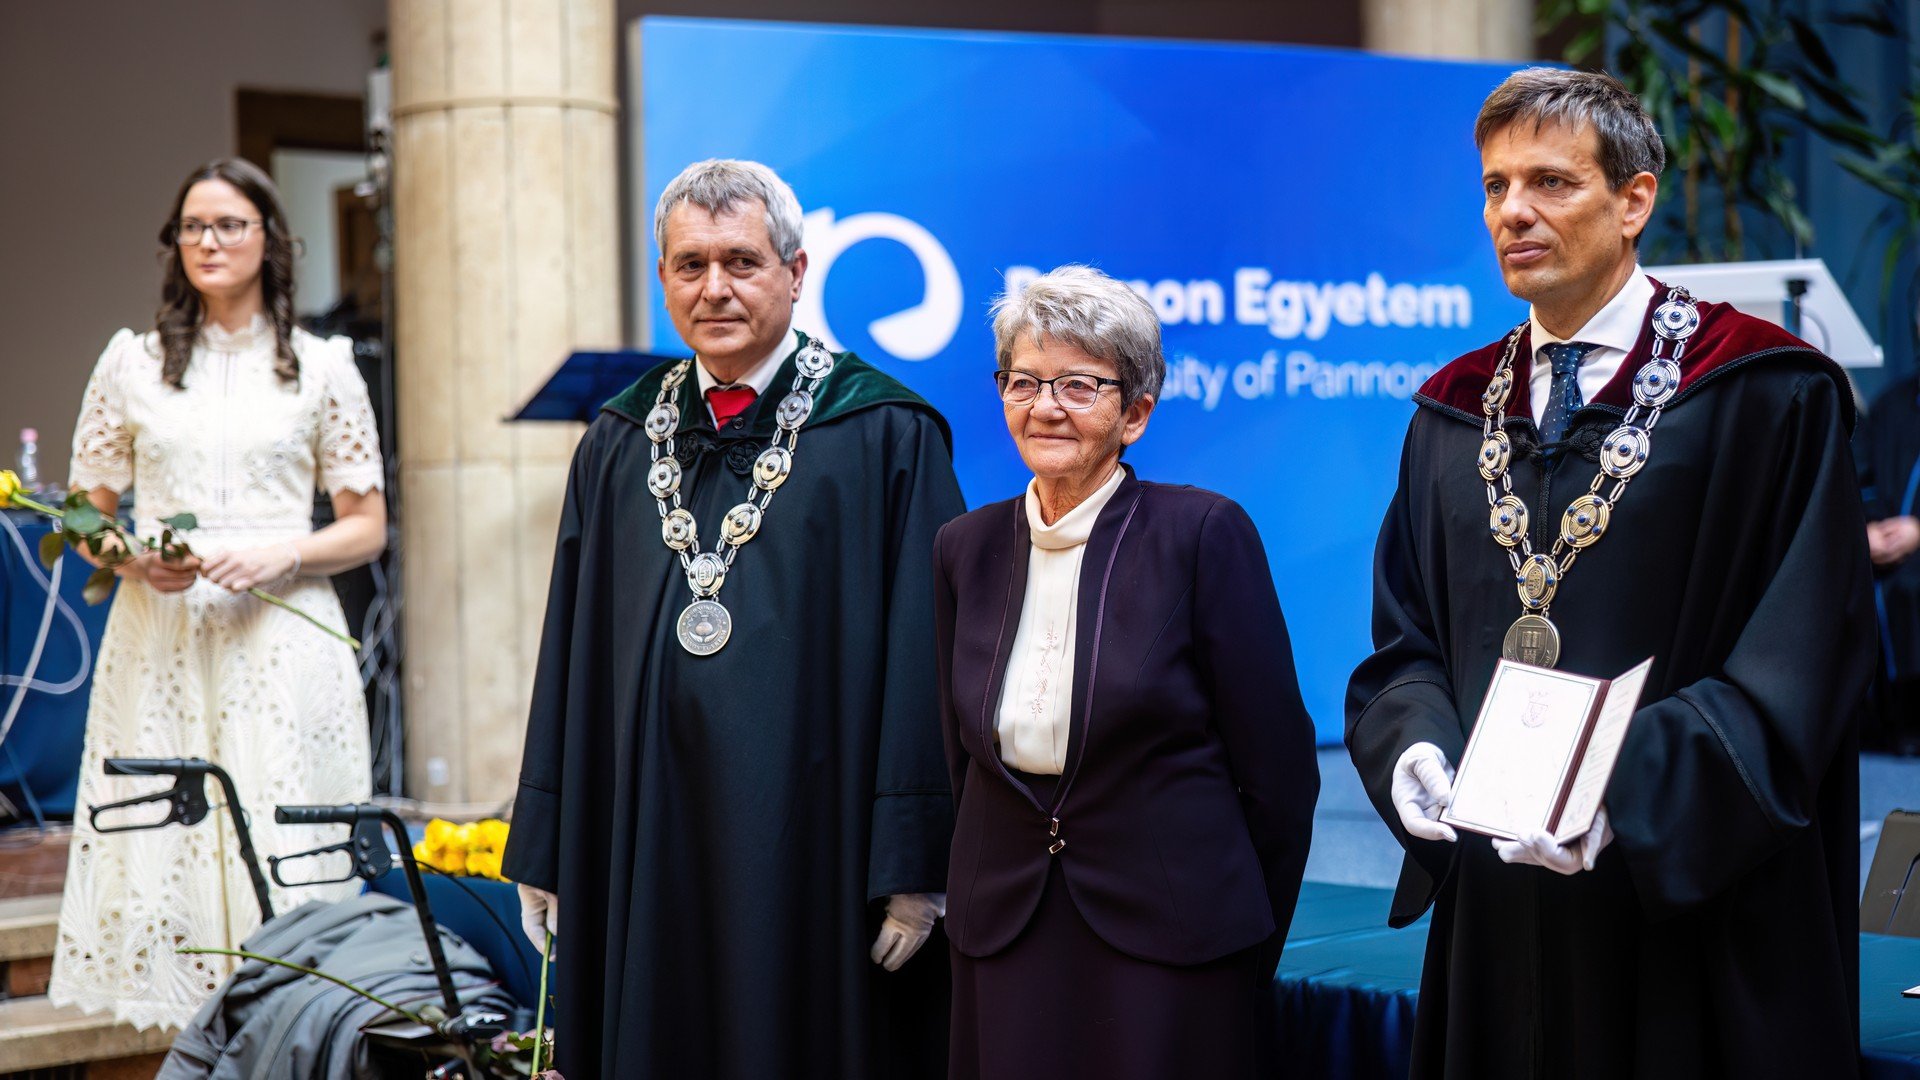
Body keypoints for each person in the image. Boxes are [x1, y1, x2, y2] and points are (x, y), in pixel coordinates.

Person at [1347, 68, 1872, 1078]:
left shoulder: (1764, 393)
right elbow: (1405, 642)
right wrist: (1412, 745)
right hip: (1501, 904)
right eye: (1496, 186)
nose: (1513, 212)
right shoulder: (1451, 415)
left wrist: (1621, 790)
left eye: (1551, 182)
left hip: (1689, 907)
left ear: (1634, 201)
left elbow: (1804, 658)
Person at [500, 159, 966, 1078]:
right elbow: (571, 653)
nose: (714, 288)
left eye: (742, 262)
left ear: (795, 273)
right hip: (648, 831)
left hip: (815, 842)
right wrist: (550, 840)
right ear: (663, 277)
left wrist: (917, 862)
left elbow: (932, 657)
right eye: (690, 264)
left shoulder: (886, 433)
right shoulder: (618, 439)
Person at [933, 265, 1319, 1079]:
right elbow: (959, 760)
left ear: (1135, 413)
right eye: (1024, 381)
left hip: (1170, 938)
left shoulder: (1202, 533)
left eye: (1079, 385)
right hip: (1004, 930)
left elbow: (1279, 774)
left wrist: (1242, 929)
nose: (1046, 406)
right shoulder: (964, 547)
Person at [52, 157, 386, 1030]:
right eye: (192, 227)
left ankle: (294, 1033)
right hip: (163, 636)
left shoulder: (323, 367)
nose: (208, 242)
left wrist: (286, 554)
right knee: (173, 846)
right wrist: (135, 559)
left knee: (281, 839)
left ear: (269, 240)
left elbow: (367, 527)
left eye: (229, 225)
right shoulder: (130, 364)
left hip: (282, 636)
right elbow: (85, 518)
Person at [1859, 376, 1920, 752]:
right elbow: (1862, 475)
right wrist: (1866, 528)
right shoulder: (1890, 405)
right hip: (1877, 544)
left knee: (1909, 587)